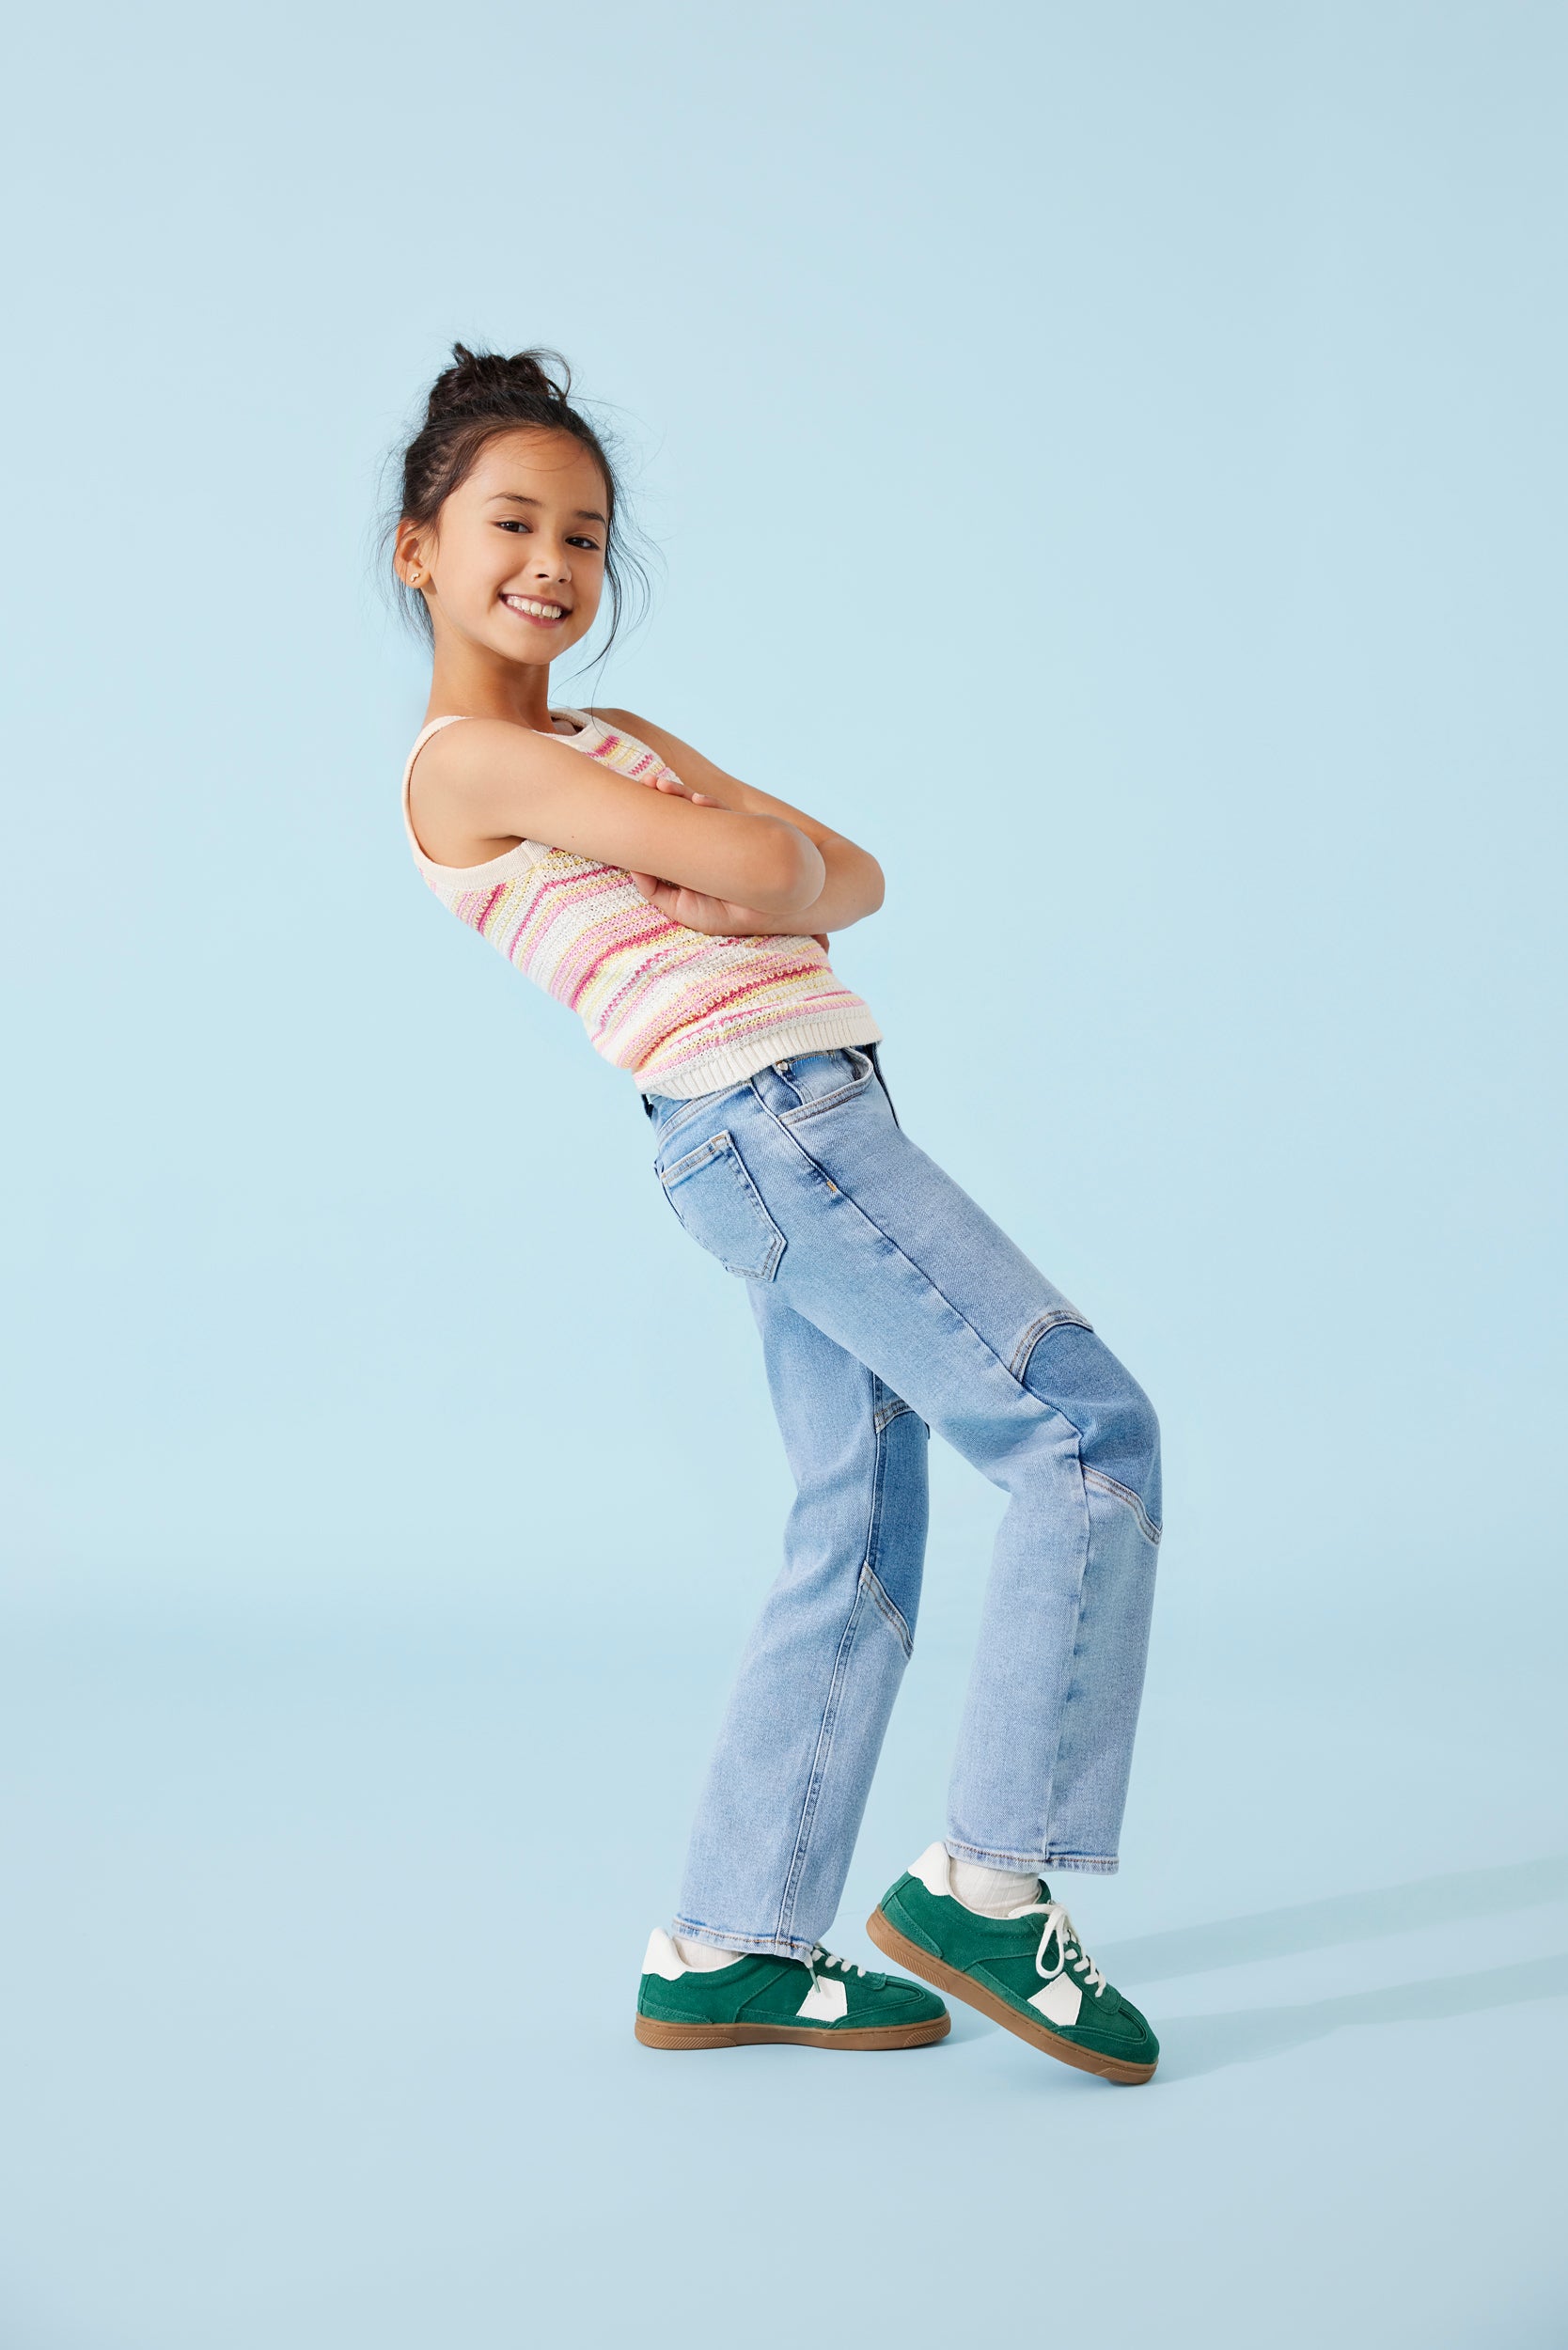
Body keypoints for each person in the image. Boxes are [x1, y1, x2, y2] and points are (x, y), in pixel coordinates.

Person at [389, 342, 1165, 2085]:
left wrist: (766, 866)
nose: (551, 562)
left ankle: (730, 1942)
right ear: (419, 551)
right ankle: (987, 1881)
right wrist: (749, 864)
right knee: (1085, 1436)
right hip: (769, 1125)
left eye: (586, 535)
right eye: (511, 522)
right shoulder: (468, 764)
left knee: (856, 1530)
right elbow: (771, 866)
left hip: (807, 1121)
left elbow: (851, 874)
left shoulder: (612, 738)